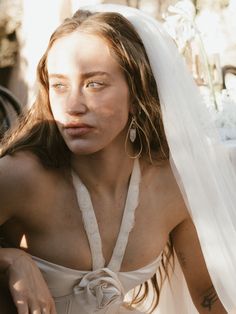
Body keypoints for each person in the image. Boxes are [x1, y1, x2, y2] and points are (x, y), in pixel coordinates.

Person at [0, 4, 235, 314]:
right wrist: (10, 259)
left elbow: (207, 293)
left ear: (137, 94)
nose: (72, 105)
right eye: (59, 85)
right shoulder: (20, 177)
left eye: (94, 84)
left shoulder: (174, 185)